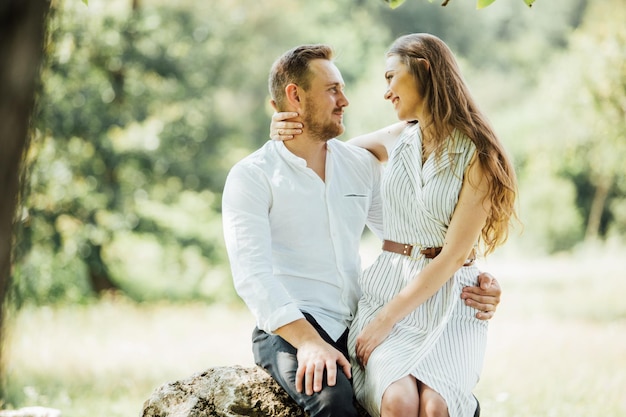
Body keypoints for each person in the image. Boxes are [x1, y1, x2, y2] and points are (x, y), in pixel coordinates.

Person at [223, 43, 502, 417]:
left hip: (358, 318)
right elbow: (252, 277)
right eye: (333, 90)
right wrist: (308, 342)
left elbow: (417, 234)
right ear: (294, 95)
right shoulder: (252, 176)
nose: (345, 101)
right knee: (334, 402)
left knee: (440, 402)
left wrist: (471, 273)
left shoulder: (357, 164)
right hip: (291, 328)